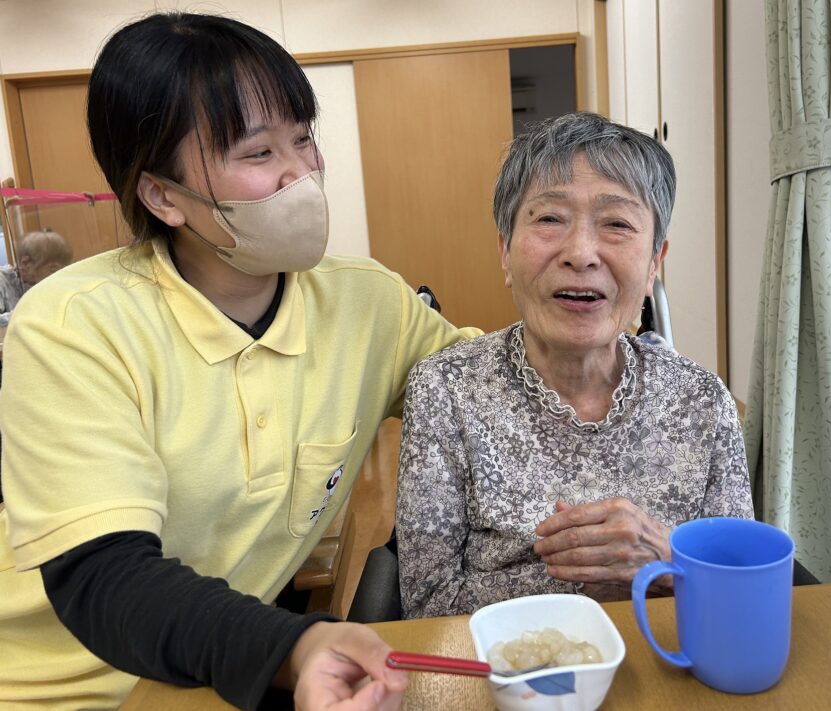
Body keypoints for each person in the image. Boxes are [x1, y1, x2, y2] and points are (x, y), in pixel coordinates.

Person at [0, 12, 478, 710]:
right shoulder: (75, 324)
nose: (302, 175)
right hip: (58, 687)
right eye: (258, 154)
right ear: (162, 195)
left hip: (221, 667)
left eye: (304, 140)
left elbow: (490, 386)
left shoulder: (367, 300)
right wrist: (289, 644)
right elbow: (103, 576)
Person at [396, 112, 753, 619]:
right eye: (549, 219)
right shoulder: (446, 389)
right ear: (504, 250)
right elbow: (427, 607)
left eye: (617, 224)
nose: (581, 253)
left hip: (672, 668)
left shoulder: (702, 400)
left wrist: (669, 561)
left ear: (654, 263)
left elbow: (740, 595)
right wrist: (591, 581)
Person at [0, 229, 73, 327]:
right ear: (25, 263)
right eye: (53, 270)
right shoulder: (3, 280)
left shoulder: (38, 283)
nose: (59, 276)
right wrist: (32, 310)